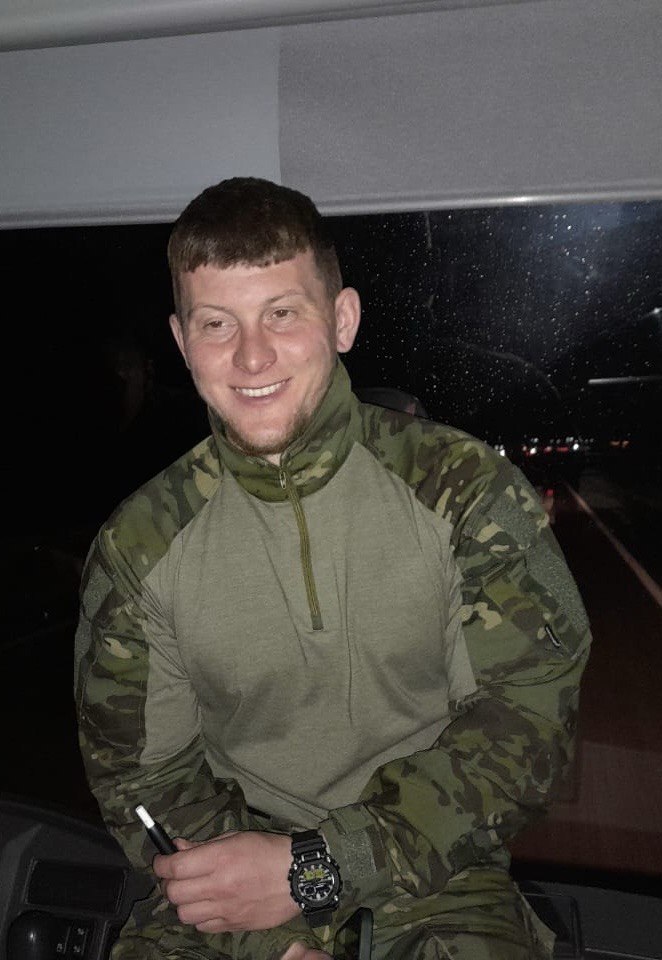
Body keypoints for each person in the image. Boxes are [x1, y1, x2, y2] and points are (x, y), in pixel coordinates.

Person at [74, 177, 591, 960]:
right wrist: (271, 937)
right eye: (217, 324)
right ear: (182, 343)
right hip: (228, 883)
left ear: (342, 320)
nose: (251, 354)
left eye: (282, 313)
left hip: (431, 870)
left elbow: (525, 724)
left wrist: (319, 869)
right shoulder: (139, 545)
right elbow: (141, 780)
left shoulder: (465, 491)